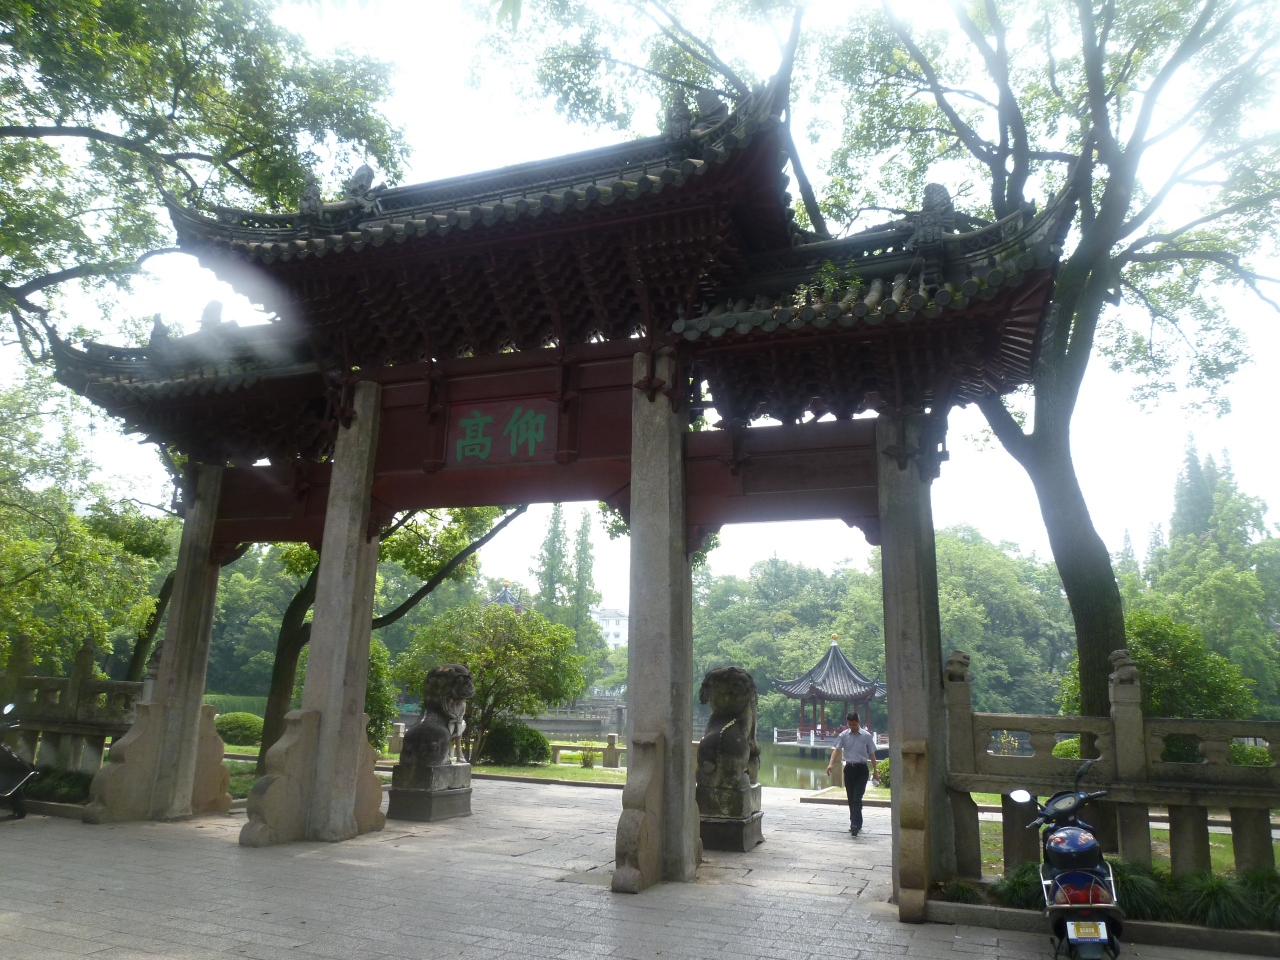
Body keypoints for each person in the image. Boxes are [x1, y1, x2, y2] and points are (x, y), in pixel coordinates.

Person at [826, 712, 878, 836]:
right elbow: (837, 750)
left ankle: (854, 824)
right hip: (849, 768)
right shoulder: (844, 735)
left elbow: (872, 754)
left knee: (857, 797)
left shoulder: (866, 736)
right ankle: (856, 822)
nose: (852, 727)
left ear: (858, 722)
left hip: (862, 769)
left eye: (854, 724)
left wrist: (876, 771)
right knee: (851, 798)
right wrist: (831, 764)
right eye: (850, 725)